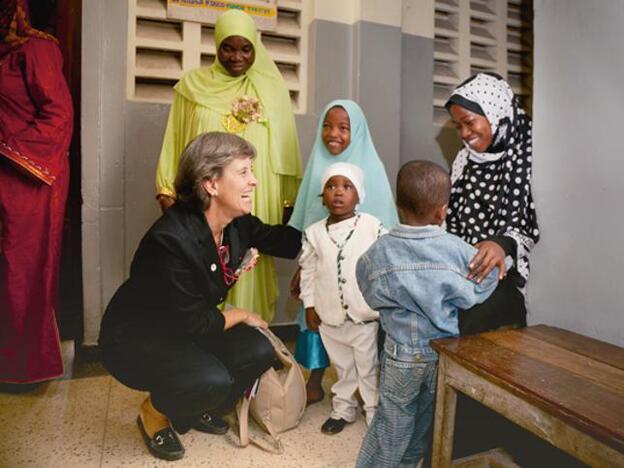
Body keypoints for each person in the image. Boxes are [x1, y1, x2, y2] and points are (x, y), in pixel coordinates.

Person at [99, 132, 302, 461]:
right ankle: (155, 412)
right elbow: (198, 323)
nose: (254, 181)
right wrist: (241, 315)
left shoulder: (236, 225)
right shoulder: (170, 240)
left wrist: (335, 235)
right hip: (138, 339)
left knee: (259, 349)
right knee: (212, 380)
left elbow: (282, 240)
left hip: (186, 326)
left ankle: (191, 406)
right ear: (211, 184)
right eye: (244, 172)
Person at [155, 9, 302, 323]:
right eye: (228, 47)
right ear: (216, 45)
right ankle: (208, 335)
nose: (237, 56)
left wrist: (289, 201)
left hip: (255, 196)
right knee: (203, 267)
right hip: (207, 198)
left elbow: (286, 149)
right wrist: (167, 189)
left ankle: (251, 339)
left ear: (255, 48)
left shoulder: (271, 91)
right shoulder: (192, 86)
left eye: (245, 48)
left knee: (250, 263)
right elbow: (175, 138)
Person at [355, 160, 503, 467]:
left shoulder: (379, 251)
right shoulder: (456, 249)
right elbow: (485, 282)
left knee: (392, 424)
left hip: (400, 355)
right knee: (424, 423)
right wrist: (499, 253)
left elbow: (366, 285)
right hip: (441, 354)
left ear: (398, 205)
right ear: (442, 210)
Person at [289, 99, 398, 405]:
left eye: (343, 128)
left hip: (357, 275)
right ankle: (315, 376)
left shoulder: (372, 169)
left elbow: (383, 229)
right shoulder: (317, 164)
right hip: (321, 265)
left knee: (360, 337)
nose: (332, 134)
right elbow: (311, 224)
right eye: (326, 126)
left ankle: (366, 390)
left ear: (358, 132)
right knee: (314, 317)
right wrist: (303, 268)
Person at [0, 0, 73, 386]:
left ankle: (23, 369)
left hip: (29, 177)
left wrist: (10, 150)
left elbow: (58, 115)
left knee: (21, 269)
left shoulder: (37, 50)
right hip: (6, 174)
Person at [445, 72, 539, 335]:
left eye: (469, 122)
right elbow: (450, 218)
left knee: (462, 326)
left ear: (495, 111)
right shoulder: (464, 160)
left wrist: (502, 244)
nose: (464, 133)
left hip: (507, 279)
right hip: (464, 271)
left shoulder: (530, 153)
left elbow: (531, 221)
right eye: (457, 126)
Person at [299, 162, 386, 435]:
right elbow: (308, 271)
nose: (338, 193)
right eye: (331, 186)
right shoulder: (314, 232)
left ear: (358, 195)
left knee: (368, 367)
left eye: (347, 187)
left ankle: (373, 411)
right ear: (322, 194)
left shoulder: (372, 226)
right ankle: (343, 409)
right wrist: (309, 305)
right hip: (330, 317)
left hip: (364, 316)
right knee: (342, 367)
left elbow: (385, 262)